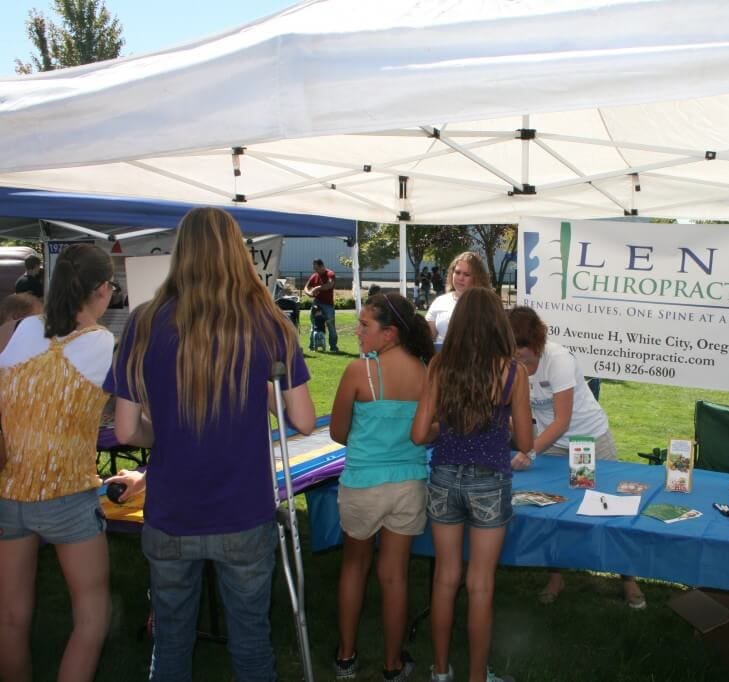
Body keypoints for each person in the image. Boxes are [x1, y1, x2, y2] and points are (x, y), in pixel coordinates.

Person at [105, 207, 315, 682]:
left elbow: (125, 432)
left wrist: (161, 433)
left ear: (181, 253)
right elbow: (302, 420)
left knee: (171, 645)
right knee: (251, 645)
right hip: (244, 513)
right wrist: (262, 391)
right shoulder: (267, 322)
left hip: (171, 513)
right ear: (235, 253)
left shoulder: (144, 322)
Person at [0, 244, 116, 682]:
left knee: (9, 617)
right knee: (92, 615)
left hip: (8, 491)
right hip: (69, 494)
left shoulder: (18, 329)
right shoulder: (101, 342)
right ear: (103, 289)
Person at [411, 287, 532, 682]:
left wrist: (443, 428)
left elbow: (418, 434)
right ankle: (477, 677)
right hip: (490, 480)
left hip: (444, 476)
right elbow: (526, 441)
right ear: (498, 322)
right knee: (480, 584)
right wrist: (503, 425)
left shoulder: (439, 366)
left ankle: (440, 671)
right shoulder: (512, 371)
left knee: (445, 578)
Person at [506, 306, 647, 609]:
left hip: (591, 440)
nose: (516, 354)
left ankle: (628, 579)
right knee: (551, 510)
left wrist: (529, 451)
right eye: (511, 347)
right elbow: (516, 413)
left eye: (522, 348)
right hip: (551, 445)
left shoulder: (558, 359)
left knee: (610, 507)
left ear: (537, 342)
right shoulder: (509, 363)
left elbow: (562, 420)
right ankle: (556, 577)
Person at [330, 293, 434, 681]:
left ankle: (346, 657)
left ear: (389, 334)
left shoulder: (359, 372)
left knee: (354, 567)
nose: (357, 331)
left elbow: (338, 432)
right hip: (409, 485)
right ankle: (392, 664)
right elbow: (429, 430)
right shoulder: (426, 372)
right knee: (395, 575)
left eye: (364, 325)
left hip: (363, 484)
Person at [425, 251, 489, 345]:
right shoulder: (440, 301)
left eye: (466, 274)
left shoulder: (487, 304)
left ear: (477, 277)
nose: (460, 278)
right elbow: (427, 339)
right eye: (457, 272)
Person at [304, 258, 339, 352]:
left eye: (316, 268)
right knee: (314, 325)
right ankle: (312, 346)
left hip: (328, 305)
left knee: (331, 326)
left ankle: (333, 347)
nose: (315, 270)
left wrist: (316, 288)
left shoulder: (330, 274)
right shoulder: (314, 276)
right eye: (314, 268)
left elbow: (329, 285)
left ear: (322, 266)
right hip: (316, 304)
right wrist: (309, 293)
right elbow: (306, 287)